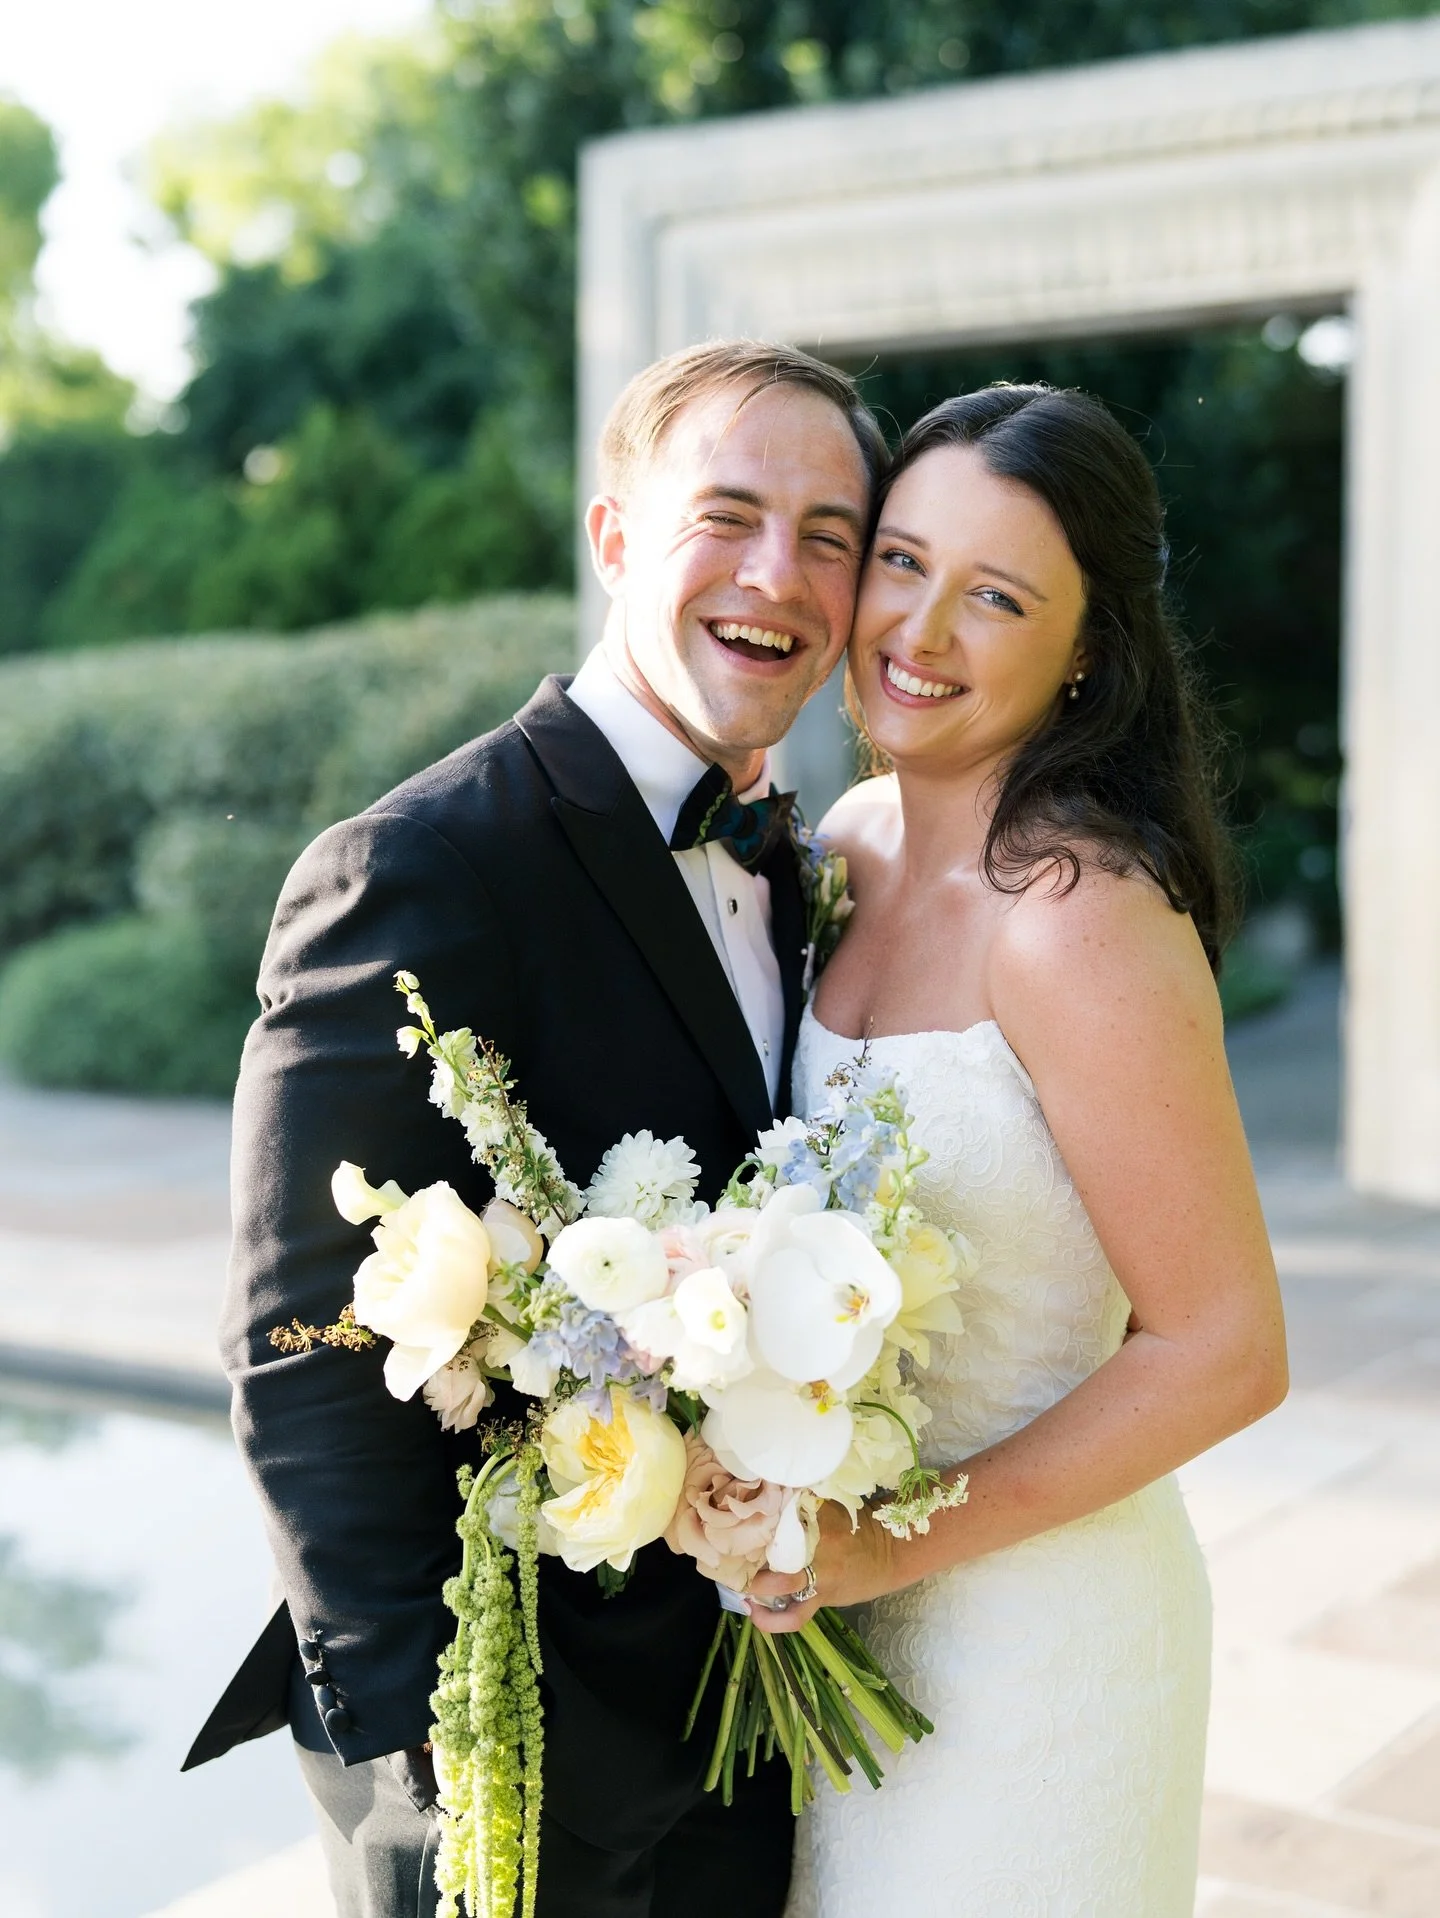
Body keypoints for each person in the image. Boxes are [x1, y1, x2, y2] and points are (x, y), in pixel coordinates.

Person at [183, 338, 884, 1918]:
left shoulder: (799, 874)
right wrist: (449, 1785)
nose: (780, 571)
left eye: (830, 533)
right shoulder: (421, 862)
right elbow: (304, 1349)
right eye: (729, 512)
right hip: (511, 1770)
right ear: (616, 537)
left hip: (739, 1718)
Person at [749, 384, 1289, 1917]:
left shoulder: (1079, 918)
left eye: (997, 596)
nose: (920, 628)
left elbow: (1229, 1345)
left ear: (1088, 653)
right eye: (903, 562)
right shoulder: (838, 845)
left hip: (1041, 1644)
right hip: (839, 1625)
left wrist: (891, 1544)